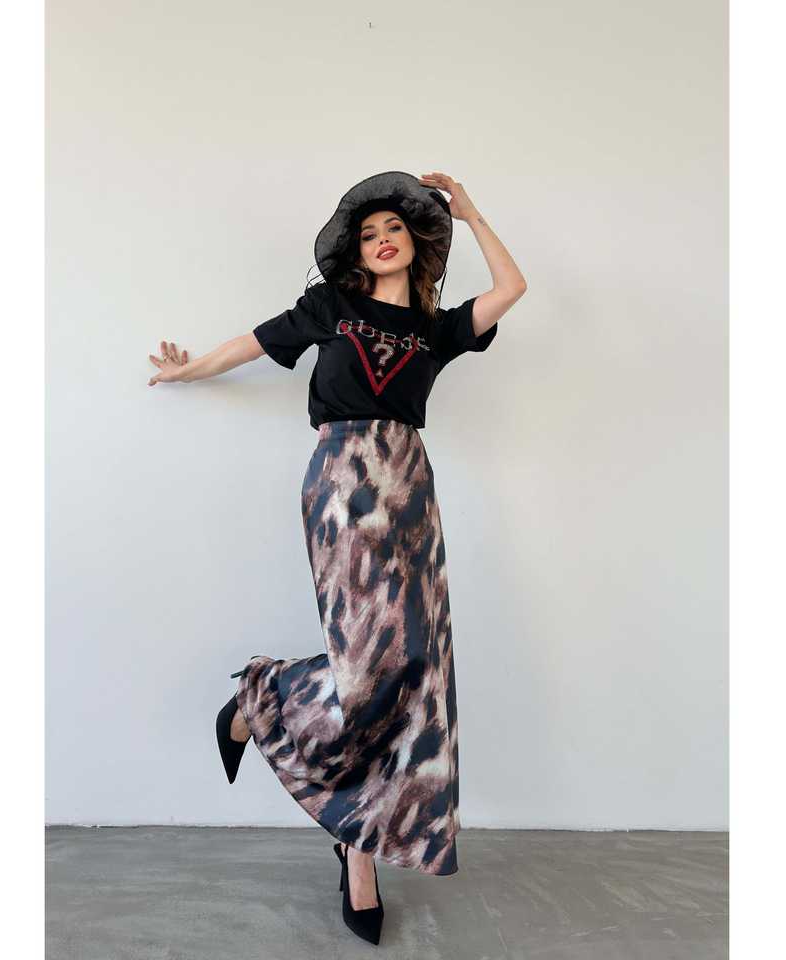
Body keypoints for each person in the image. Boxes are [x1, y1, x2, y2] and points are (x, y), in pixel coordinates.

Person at [147, 170, 526, 945]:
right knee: (363, 669)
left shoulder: (436, 328)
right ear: (356, 251)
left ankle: (359, 845)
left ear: (417, 242)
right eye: (368, 233)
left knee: (417, 667)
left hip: (409, 486)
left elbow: (512, 287)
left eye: (394, 229)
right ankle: (262, 699)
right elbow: (252, 344)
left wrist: (472, 214)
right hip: (343, 481)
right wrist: (188, 368)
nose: (381, 239)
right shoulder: (333, 307)